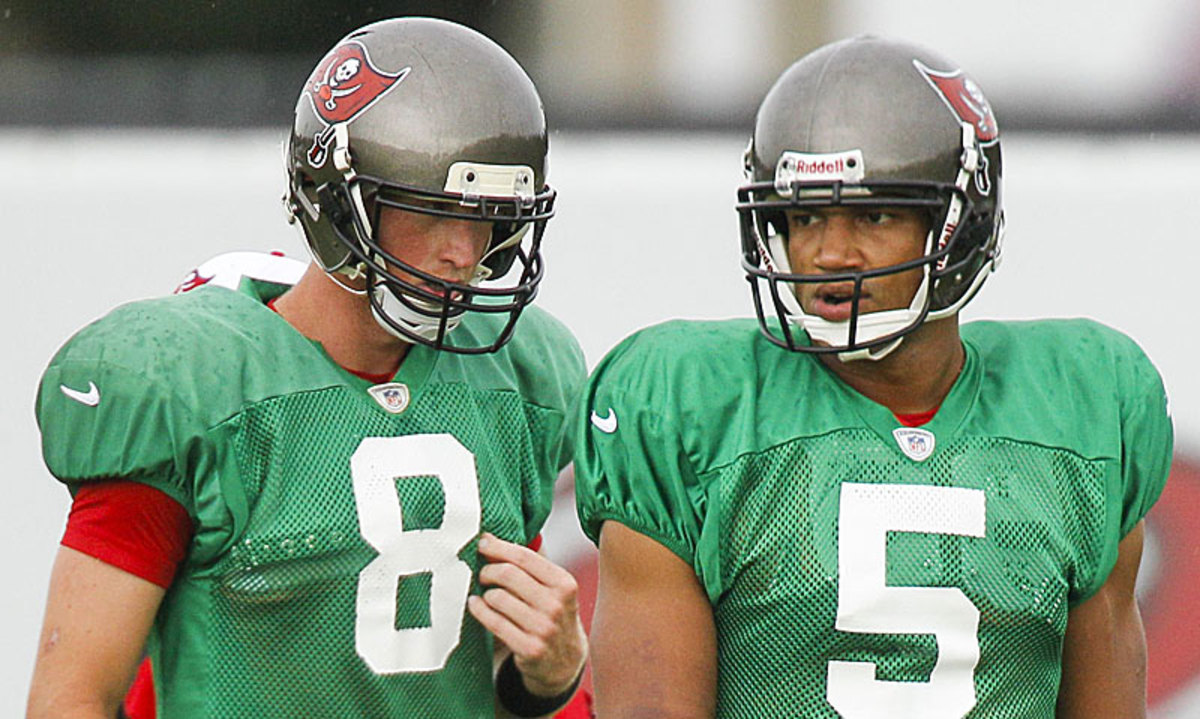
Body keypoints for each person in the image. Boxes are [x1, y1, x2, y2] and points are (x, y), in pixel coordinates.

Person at [574, 35, 1173, 718]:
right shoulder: (685, 403)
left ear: (959, 225)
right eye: (804, 217)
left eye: (874, 214)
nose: (830, 252)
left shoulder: (1084, 402)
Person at [27, 17, 589, 719]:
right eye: (435, 211)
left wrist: (551, 677)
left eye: (491, 219)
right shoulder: (194, 386)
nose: (462, 252)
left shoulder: (519, 382)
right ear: (337, 203)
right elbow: (71, 696)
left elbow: (498, 666)